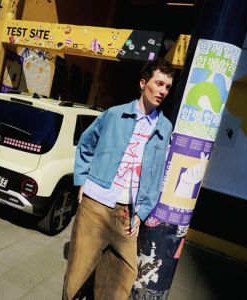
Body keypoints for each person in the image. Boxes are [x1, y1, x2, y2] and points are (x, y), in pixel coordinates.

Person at [63, 59, 175, 300]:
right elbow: (86, 143)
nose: (163, 91)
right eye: (159, 83)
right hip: (95, 205)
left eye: (167, 86)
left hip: (128, 215)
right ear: (143, 83)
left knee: (122, 278)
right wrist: (82, 179)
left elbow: (156, 174)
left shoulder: (165, 127)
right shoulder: (114, 114)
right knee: (77, 274)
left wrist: (142, 212)